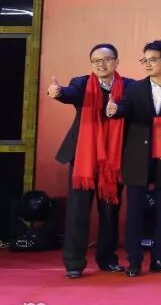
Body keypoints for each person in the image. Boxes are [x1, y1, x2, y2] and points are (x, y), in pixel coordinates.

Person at [106, 40, 161, 278]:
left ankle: (159, 259)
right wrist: (114, 110)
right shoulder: (135, 88)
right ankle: (134, 261)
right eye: (144, 59)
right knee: (134, 212)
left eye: (153, 59)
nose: (147, 64)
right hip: (137, 157)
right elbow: (124, 108)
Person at [47, 43, 133, 279]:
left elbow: (134, 105)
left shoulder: (129, 86)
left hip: (113, 160)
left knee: (110, 212)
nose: (101, 64)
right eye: (96, 61)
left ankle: (107, 259)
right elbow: (70, 94)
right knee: (77, 211)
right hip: (84, 157)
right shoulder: (81, 83)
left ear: (116, 61)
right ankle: (74, 263)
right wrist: (59, 92)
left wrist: (119, 109)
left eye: (106, 59)